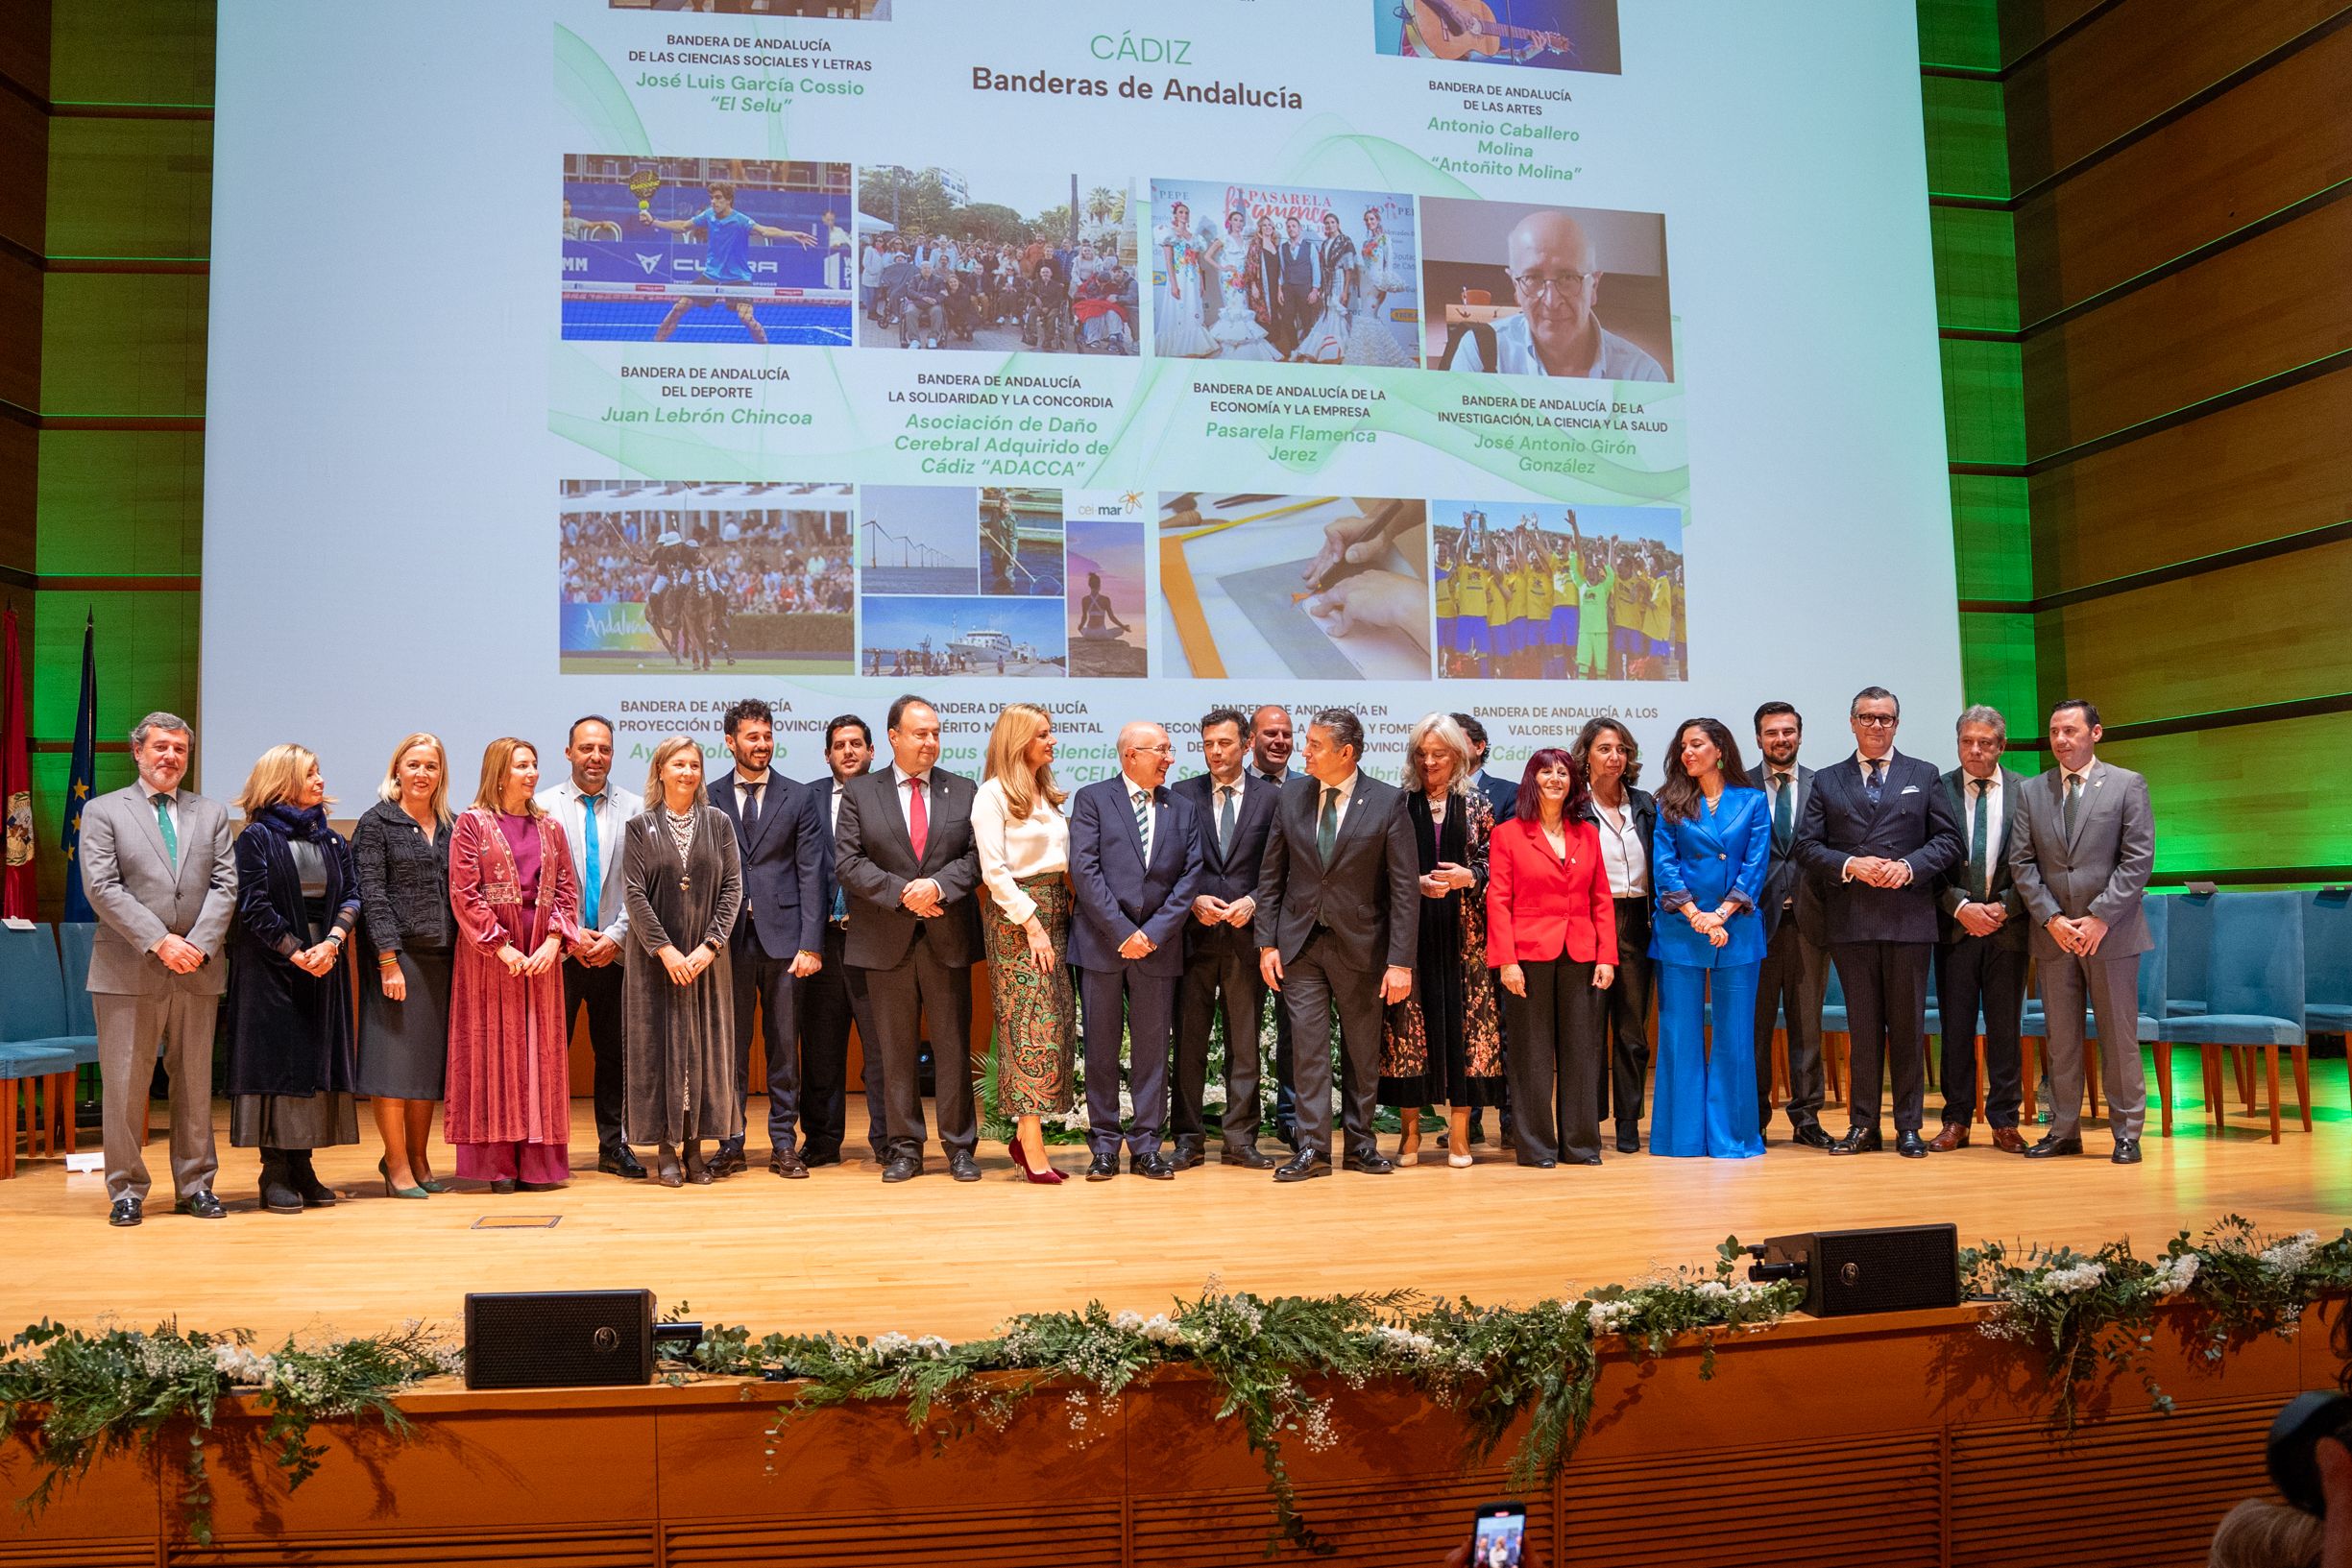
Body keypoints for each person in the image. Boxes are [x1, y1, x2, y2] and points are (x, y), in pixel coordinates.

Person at [81, 712, 238, 1226]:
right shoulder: (104, 811)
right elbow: (103, 887)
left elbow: (225, 886)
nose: (170, 757)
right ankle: (126, 1189)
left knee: (195, 1084)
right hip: (128, 970)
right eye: (161, 747)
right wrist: (160, 941)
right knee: (125, 1085)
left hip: (198, 968)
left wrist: (196, 945)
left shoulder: (211, 813)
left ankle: (195, 1185)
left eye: (180, 750)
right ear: (138, 752)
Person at [1793, 688, 1965, 1157]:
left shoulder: (1923, 774)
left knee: (1908, 1028)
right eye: (1867, 718)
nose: (1876, 726)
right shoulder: (1827, 780)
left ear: (1897, 723)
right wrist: (1852, 864)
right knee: (1863, 1028)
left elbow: (1948, 842)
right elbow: (1806, 847)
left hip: (1909, 918)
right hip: (1852, 920)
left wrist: (1908, 867)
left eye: (1885, 718)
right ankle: (1863, 1126)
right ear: (1852, 722)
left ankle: (1909, 1126)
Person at [1254, 708, 1420, 1180]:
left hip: (1363, 947)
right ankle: (1312, 1149)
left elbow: (1404, 890)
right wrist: (1266, 942)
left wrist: (1401, 962)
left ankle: (1361, 1145)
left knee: (1361, 1051)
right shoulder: (1292, 795)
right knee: (1308, 1050)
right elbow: (1271, 876)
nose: (1301, 750)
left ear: (1345, 753)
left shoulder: (1388, 802)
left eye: (1313, 744)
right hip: (1300, 945)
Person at [834, 694, 984, 1183]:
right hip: (885, 939)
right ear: (894, 736)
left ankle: (960, 1146)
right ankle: (905, 1148)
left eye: (936, 733)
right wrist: (904, 893)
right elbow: (849, 863)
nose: (931, 742)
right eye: (921, 733)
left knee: (953, 1047)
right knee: (894, 1051)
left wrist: (937, 887)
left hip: (947, 937)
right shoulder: (860, 792)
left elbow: (976, 857)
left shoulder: (963, 790)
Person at [2008, 699, 2155, 1164]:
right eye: (2054, 731)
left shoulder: (2127, 784)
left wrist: (2099, 916)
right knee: (2062, 1040)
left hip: (2111, 933)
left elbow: (2138, 859)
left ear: (2096, 733)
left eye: (2070, 730)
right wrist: (2052, 919)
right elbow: (2022, 864)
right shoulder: (2032, 792)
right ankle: (2064, 1129)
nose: (2060, 740)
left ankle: (2127, 1132)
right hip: (2055, 936)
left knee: (2118, 1037)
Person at [222, 744, 362, 1214]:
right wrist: (296, 950)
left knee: (313, 1067)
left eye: (319, 771)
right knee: (276, 1068)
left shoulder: (332, 840)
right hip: (271, 971)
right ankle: (275, 1171)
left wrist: (334, 942)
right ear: (282, 782)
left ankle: (303, 1166)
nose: (321, 780)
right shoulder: (256, 838)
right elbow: (253, 905)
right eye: (310, 773)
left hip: (325, 963)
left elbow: (353, 896)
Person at [1069, 721, 1203, 1181]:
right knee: (1101, 1050)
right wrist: (1123, 930)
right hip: (1103, 945)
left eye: (1169, 750)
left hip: (1158, 948)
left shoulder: (1181, 807)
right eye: (1161, 751)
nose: (1170, 759)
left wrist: (1155, 932)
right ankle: (1104, 1144)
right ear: (1131, 755)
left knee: (1152, 1052)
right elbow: (1084, 870)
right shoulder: (1092, 799)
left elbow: (1190, 877)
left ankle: (1147, 1145)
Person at [447, 737, 583, 1193]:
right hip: (491, 956)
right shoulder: (471, 823)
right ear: (498, 772)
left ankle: (538, 1165)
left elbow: (567, 887)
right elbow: (464, 893)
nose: (531, 773)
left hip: (541, 951)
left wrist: (552, 941)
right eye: (521, 766)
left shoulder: (551, 827)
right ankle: (498, 1164)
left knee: (539, 1055)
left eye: (534, 765)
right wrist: (500, 946)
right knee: (493, 1052)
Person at [1378, 714, 1503, 1165]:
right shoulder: (1397, 804)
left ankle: (1460, 1134)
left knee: (1465, 1031)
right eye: (1422, 754)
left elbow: (1497, 865)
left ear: (1460, 755)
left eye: (1440, 754)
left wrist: (1470, 876)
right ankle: (1409, 1134)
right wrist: (1413, 882)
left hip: (1466, 937)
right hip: (1409, 936)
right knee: (1408, 1031)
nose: (1430, 762)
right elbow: (1378, 866)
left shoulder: (1480, 806)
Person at [707, 699, 823, 1178]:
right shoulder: (706, 795)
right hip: (725, 944)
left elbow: (812, 874)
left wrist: (811, 943)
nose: (762, 745)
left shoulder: (798, 797)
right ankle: (730, 1142)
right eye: (752, 737)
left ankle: (783, 1145)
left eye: (768, 736)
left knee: (782, 1049)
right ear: (731, 741)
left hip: (785, 942)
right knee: (729, 1049)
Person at [622, 736, 742, 1187]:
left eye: (694, 765)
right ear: (660, 771)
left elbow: (733, 888)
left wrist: (709, 947)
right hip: (656, 963)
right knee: (659, 1052)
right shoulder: (639, 827)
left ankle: (696, 1149)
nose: (688, 772)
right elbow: (633, 893)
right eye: (678, 764)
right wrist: (666, 950)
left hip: (707, 962)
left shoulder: (719, 823)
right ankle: (666, 1150)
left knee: (703, 1052)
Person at [1647, 719, 1769, 1160]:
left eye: (1696, 744)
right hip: (1682, 929)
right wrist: (1697, 914)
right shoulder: (1669, 803)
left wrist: (1722, 913)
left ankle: (1732, 1138)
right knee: (1679, 1036)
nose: (1687, 753)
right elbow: (1665, 864)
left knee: (1735, 1036)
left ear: (1720, 750)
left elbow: (1755, 866)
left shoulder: (1753, 801)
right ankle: (1680, 1138)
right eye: (1683, 746)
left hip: (1736, 929)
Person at [1488, 747, 1615, 1168]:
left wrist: (1606, 957)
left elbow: (1601, 899)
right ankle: (1537, 1146)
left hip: (1581, 952)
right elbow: (1499, 902)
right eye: (1546, 772)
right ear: (1532, 780)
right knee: (1532, 1056)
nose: (1556, 779)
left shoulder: (1588, 834)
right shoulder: (1507, 833)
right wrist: (1506, 961)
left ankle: (1580, 1145)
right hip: (1528, 956)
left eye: (1563, 772)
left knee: (1581, 1053)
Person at [971, 703, 1078, 1185]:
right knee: (1029, 1026)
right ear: (1018, 741)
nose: (1052, 741)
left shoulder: (1046, 793)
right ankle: (1030, 1143)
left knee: (1055, 1022)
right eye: (1043, 734)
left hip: (1056, 910)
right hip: (1018, 919)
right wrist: (1031, 924)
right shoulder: (992, 795)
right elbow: (994, 872)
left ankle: (1028, 1136)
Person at [538, 715, 645, 1180]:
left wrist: (616, 934)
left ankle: (613, 1146)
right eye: (586, 748)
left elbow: (641, 884)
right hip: (559, 953)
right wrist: (570, 933)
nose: (595, 756)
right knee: (548, 1054)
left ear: (613, 753)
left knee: (615, 1056)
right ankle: (546, 1149)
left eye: (603, 748)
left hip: (617, 954)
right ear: (568, 753)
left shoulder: (638, 808)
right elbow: (537, 886)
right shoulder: (540, 807)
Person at [1171, 708, 1280, 1169]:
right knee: (1190, 1044)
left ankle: (1240, 1139)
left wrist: (1254, 901)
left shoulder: (1273, 798)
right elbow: (1165, 863)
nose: (1216, 752)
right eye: (1209, 744)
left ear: (1247, 744)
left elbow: (1281, 868)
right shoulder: (1179, 794)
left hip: (1245, 936)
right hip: (1192, 938)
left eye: (1226, 744)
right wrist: (1194, 897)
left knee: (1243, 1043)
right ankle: (1187, 1140)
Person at [353, 733, 456, 1198]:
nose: (422, 774)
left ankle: (419, 1156)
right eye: (413, 764)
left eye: (431, 766)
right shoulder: (377, 823)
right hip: (398, 959)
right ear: (397, 770)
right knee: (393, 1065)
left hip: (443, 957)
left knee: (425, 1069)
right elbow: (371, 894)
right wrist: (388, 960)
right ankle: (395, 1163)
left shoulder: (452, 824)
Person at [1932, 706, 2029, 1152]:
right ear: (1958, 743)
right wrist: (1961, 907)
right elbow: (1925, 860)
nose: (1975, 749)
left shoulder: (2026, 792)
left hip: (2008, 930)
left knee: (2005, 1029)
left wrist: (2002, 909)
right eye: (1967, 741)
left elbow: (2037, 863)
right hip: (1954, 931)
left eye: (1985, 742)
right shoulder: (1936, 790)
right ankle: (1956, 1119)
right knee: (1955, 1029)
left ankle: (2004, 1120)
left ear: (2001, 746)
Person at [1443, 209, 1668, 380]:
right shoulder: (1480, 353)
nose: (1551, 301)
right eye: (1532, 278)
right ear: (1515, 286)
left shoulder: (1642, 374)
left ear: (1594, 286)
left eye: (1568, 278)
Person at [802, 714, 885, 1165]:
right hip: (822, 942)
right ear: (827, 754)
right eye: (839, 745)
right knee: (821, 1048)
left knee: (881, 1049)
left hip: (875, 939)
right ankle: (821, 1141)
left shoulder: (888, 795)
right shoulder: (805, 797)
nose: (848, 751)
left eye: (857, 743)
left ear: (872, 751)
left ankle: (888, 1140)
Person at [1572, 717, 1656, 1152]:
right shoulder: (1573, 806)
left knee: (1632, 1030)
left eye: (1621, 749)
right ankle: (1588, 1119)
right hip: (1588, 922)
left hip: (1637, 922)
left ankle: (1627, 1119)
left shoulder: (1643, 804)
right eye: (1605, 748)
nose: (1615, 757)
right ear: (1586, 755)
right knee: (1588, 1028)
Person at [1751, 701, 1831, 1147]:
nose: (1780, 740)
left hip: (1810, 920)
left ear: (1800, 735)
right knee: (1756, 1027)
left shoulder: (1825, 785)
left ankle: (1807, 1118)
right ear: (1758, 738)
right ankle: (1755, 1117)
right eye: (1771, 733)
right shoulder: (1738, 786)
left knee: (1807, 1026)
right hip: (1752, 922)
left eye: (1788, 732)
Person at [640, 181, 816, 345]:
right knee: (678, 308)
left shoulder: (740, 220)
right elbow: (682, 226)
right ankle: (656, 345)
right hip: (711, 275)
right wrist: (654, 221)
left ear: (729, 200)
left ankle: (766, 350)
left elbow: (765, 231)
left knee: (746, 318)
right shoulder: (708, 215)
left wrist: (792, 234)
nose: (713, 202)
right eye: (712, 198)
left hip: (738, 277)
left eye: (718, 198)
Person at [1249, 704, 1299, 1145]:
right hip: (1230, 924)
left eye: (1286, 734)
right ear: (1251, 740)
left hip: (1295, 929)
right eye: (1270, 734)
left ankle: (1291, 1117)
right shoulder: (1226, 787)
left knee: (1295, 1027)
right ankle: (1238, 1121)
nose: (1280, 741)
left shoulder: (1309, 788)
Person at [1207, 207, 1280, 361]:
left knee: (1245, 311)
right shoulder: (1223, 238)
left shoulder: (1247, 240)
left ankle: (1246, 348)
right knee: (1234, 311)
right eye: (1235, 220)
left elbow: (1252, 262)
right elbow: (1207, 256)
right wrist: (1222, 267)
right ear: (1230, 222)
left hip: (1245, 279)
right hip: (1230, 281)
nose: (1239, 223)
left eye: (1241, 221)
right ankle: (1231, 348)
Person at [1153, 200, 1214, 357]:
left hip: (1192, 279)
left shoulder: (1195, 238)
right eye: (1181, 212)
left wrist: (1201, 283)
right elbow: (1168, 261)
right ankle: (1178, 347)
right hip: (1179, 279)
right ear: (1175, 215)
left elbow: (1198, 262)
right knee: (1179, 310)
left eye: (1186, 212)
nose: (1184, 215)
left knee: (1193, 309)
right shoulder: (1169, 234)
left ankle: (1193, 346)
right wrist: (1173, 284)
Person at [1294, 211, 1354, 363]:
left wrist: (1346, 291)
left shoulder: (1345, 241)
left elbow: (1349, 269)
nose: (1330, 225)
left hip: (1340, 279)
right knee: (1327, 314)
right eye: (1327, 223)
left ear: (1338, 224)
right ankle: (1325, 350)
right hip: (1328, 282)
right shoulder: (1326, 243)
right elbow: (1322, 267)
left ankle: (1338, 351)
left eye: (1332, 222)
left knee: (1336, 313)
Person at [1453, 712, 1519, 823]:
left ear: (1479, 747)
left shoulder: (1508, 792)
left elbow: (1511, 838)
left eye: (1457, 744)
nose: (1451, 750)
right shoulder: (1432, 791)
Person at [1277, 214, 1319, 358]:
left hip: (1305, 289)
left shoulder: (1310, 247)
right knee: (1287, 320)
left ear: (1300, 228)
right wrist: (1279, 290)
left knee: (1307, 321)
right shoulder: (1282, 248)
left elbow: (1316, 269)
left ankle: (1307, 350)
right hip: (1288, 289)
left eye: (1294, 226)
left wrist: (1315, 290)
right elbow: (1281, 270)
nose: (1291, 229)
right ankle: (1294, 348)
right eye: (1288, 226)